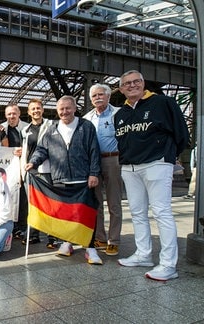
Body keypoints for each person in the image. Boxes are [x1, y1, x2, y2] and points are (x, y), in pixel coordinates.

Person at [115, 70, 189, 281]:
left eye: (136, 81)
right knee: (137, 212)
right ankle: (143, 254)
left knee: (161, 212)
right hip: (129, 167)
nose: (132, 86)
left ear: (143, 83)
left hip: (156, 163)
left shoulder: (163, 103)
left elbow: (181, 134)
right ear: (121, 89)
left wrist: (167, 155)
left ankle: (168, 264)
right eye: (127, 83)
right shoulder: (121, 114)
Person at [25, 95, 103, 265]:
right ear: (57, 110)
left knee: (87, 213)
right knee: (65, 213)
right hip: (60, 179)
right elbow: (41, 150)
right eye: (61, 109)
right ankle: (67, 243)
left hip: (83, 178)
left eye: (68, 108)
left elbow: (94, 151)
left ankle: (90, 248)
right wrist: (33, 162)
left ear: (75, 108)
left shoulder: (86, 126)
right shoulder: (52, 129)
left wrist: (94, 173)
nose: (65, 112)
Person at [83, 83, 123, 256]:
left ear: (108, 96)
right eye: (94, 96)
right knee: (96, 202)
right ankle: (100, 236)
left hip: (113, 159)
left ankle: (114, 240)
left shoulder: (119, 114)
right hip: (93, 162)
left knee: (114, 202)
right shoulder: (87, 118)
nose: (98, 98)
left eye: (101, 94)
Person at [20, 99, 56, 248]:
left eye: (38, 108)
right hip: (31, 171)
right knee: (32, 205)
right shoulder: (25, 130)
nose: (36, 111)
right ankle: (33, 235)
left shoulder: (52, 125)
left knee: (49, 204)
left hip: (46, 170)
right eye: (32, 109)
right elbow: (25, 150)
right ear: (28, 112)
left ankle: (52, 237)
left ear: (42, 110)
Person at [0, 104, 29, 241]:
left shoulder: (27, 128)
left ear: (19, 114)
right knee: (8, 196)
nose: (11, 116)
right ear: (6, 116)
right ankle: (10, 225)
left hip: (23, 166)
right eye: (9, 114)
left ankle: (22, 227)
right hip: (7, 168)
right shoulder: (1, 128)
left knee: (23, 197)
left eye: (14, 113)